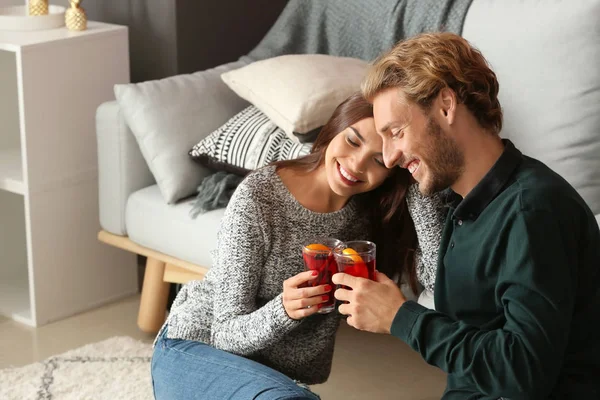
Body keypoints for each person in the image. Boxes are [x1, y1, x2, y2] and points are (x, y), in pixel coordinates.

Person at [333, 32, 600, 399]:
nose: (391, 157)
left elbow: (523, 371)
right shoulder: (465, 209)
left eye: (396, 132)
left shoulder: (532, 211)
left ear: (445, 105)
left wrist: (401, 317)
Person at [151, 92, 445, 400]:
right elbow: (224, 334)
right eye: (353, 141)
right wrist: (284, 309)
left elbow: (438, 284)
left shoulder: (372, 214)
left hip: (271, 380)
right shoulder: (260, 197)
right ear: (334, 129)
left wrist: (416, 180)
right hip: (195, 350)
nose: (357, 165)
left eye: (378, 160)